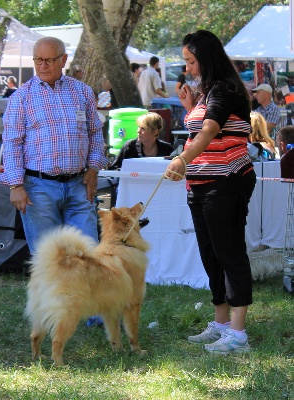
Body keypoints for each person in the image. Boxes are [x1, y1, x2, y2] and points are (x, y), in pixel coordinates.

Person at [165, 30, 256, 354]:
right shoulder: (207, 92)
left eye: (191, 61)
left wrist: (182, 159)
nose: (187, 68)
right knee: (210, 254)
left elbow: (209, 130)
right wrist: (189, 104)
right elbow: (199, 131)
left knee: (229, 253)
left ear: (206, 58)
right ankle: (221, 323)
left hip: (226, 183)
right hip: (201, 184)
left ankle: (239, 333)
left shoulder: (225, 89)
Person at [0, 36, 108, 255]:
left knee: (88, 254)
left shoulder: (82, 92)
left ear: (63, 60)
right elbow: (11, 143)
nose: (42, 66)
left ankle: (86, 291)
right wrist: (15, 186)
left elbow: (95, 133)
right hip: (38, 188)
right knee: (49, 261)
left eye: (48, 60)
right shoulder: (21, 97)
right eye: (38, 60)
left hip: (79, 184)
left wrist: (94, 168)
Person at [109, 112, 173, 170]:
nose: (138, 131)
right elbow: (114, 169)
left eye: (143, 128)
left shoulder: (167, 149)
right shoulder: (129, 147)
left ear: (154, 131)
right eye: (138, 127)